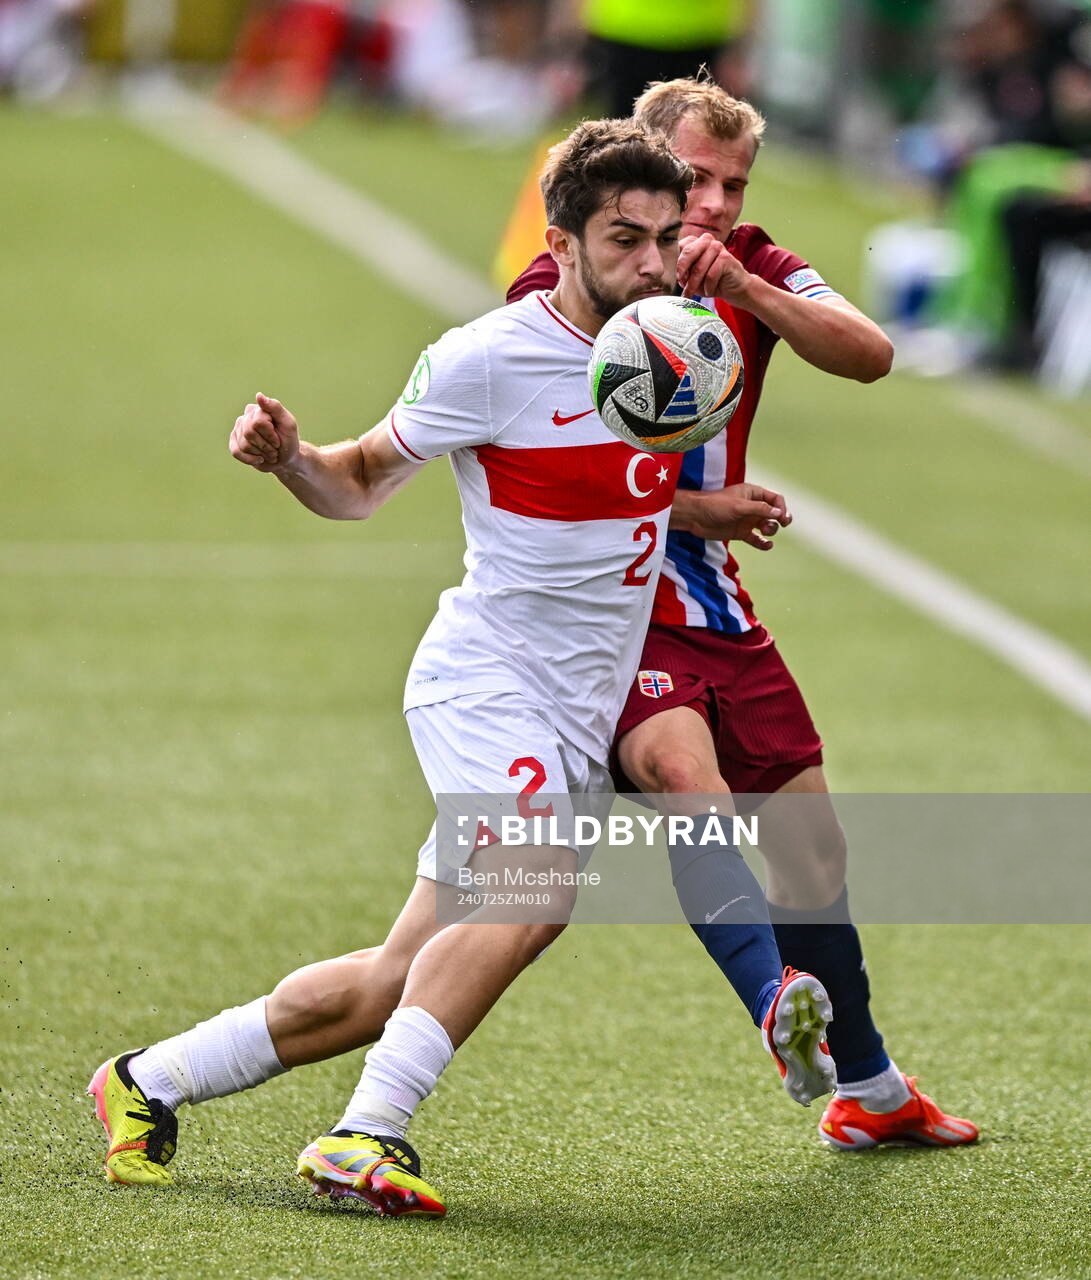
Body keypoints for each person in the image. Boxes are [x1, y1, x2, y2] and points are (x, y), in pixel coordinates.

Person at [87, 118, 835, 1218]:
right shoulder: (488, 356)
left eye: (665, 237)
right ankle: (363, 1134)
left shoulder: (674, 344)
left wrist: (703, 506)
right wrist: (290, 453)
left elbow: (601, 481)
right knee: (537, 889)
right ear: (561, 236)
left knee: (392, 978)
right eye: (622, 238)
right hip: (488, 682)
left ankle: (145, 1080)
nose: (649, 262)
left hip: (572, 716)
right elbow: (359, 479)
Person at [508, 77, 978, 1151]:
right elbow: (537, 469)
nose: (715, 202)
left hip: (712, 597)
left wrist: (749, 296)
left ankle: (866, 1085)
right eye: (696, 179)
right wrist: (696, 502)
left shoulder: (752, 259)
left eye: (731, 183)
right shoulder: (569, 281)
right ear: (641, 163)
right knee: (688, 780)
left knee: (810, 850)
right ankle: (776, 1008)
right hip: (609, 599)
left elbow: (869, 352)